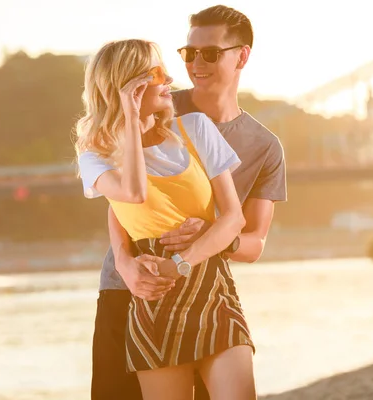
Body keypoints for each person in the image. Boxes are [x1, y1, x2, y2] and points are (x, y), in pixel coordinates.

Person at [89, 5, 287, 400]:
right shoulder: (152, 106)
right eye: (189, 52)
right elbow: (119, 203)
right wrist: (126, 266)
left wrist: (217, 235)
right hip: (126, 289)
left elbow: (254, 243)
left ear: (241, 56)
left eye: (210, 53)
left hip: (201, 289)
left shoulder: (264, 146)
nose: (197, 63)